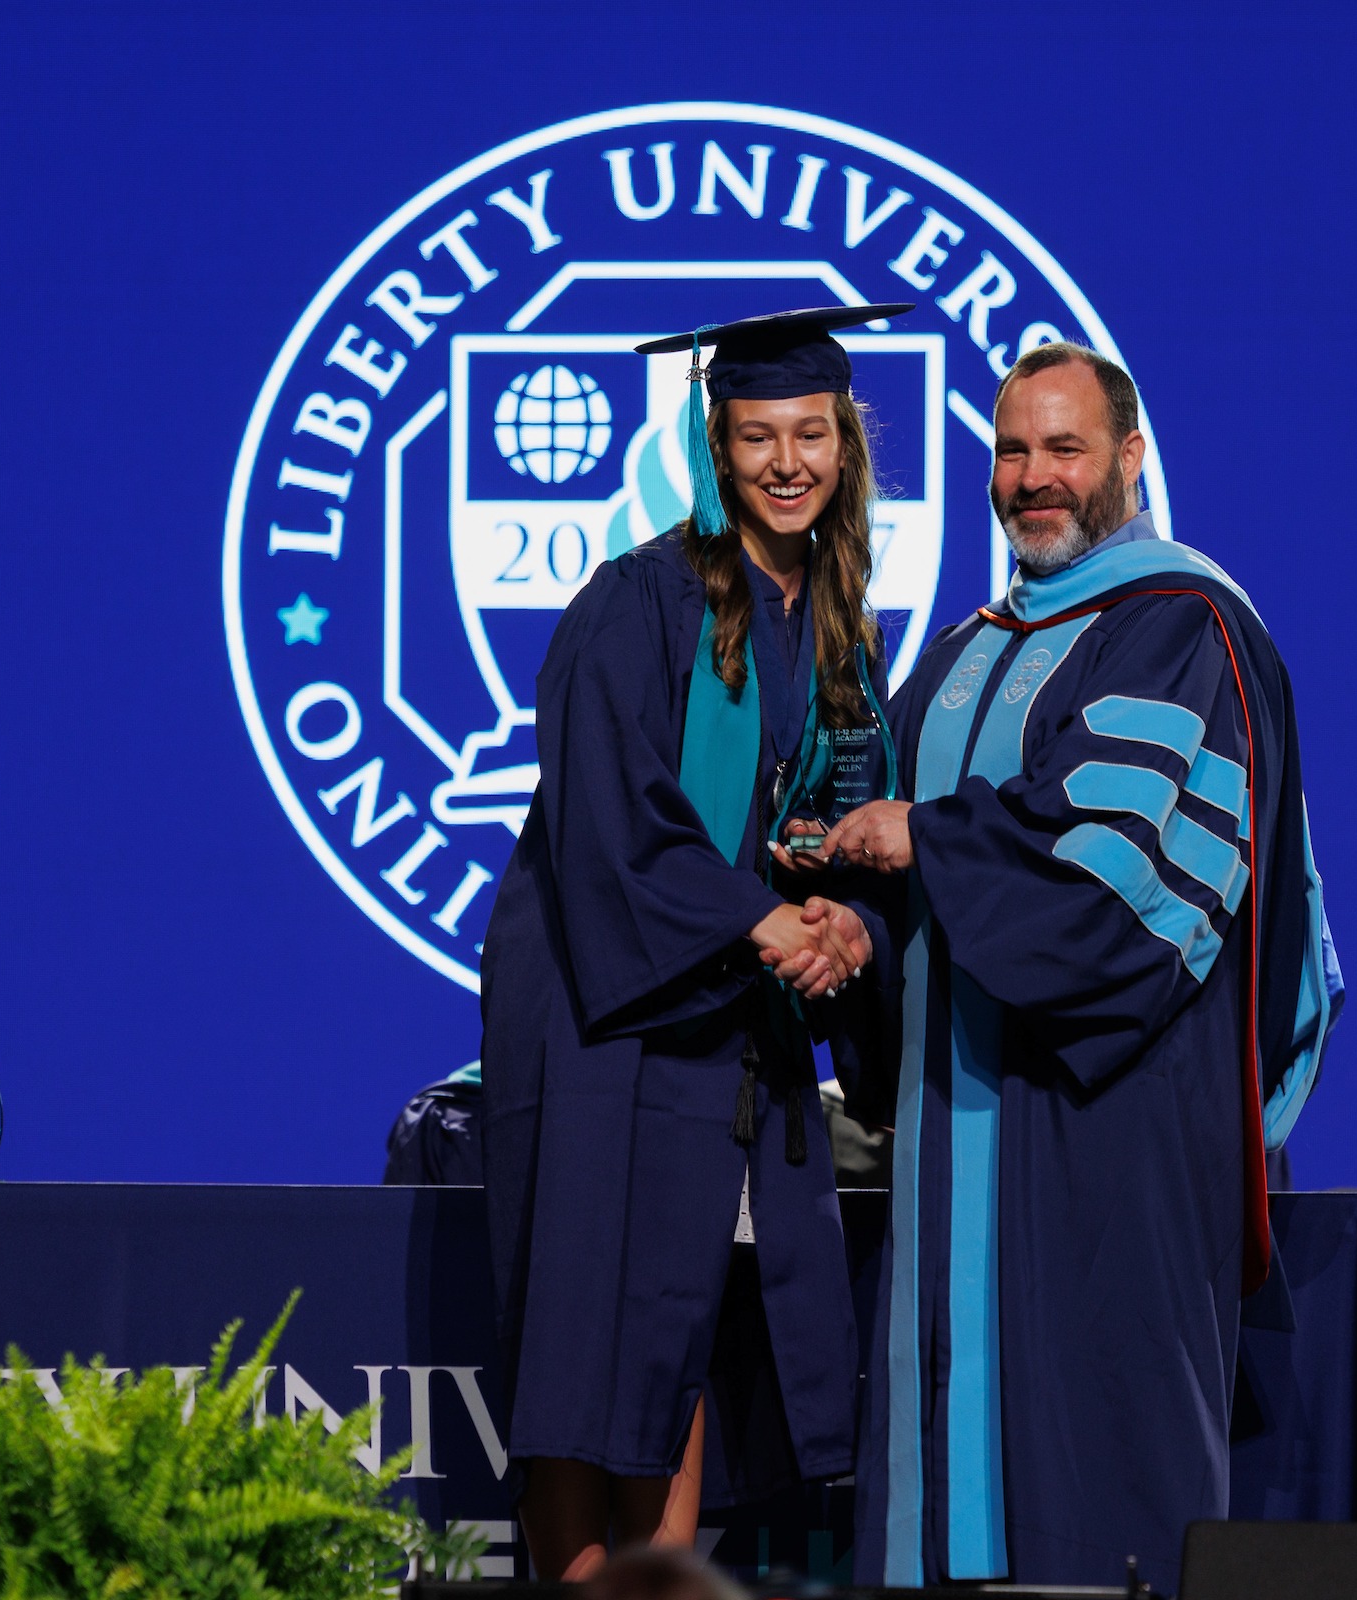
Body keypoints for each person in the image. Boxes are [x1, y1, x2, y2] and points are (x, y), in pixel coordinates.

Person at [810, 344, 1345, 1591]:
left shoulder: (1182, 629)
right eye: (1011, 451)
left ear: (1133, 460)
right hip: (952, 1154)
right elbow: (907, 878)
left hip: (1105, 1139)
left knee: (1098, 1499)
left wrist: (925, 839)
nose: (1033, 479)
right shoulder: (956, 654)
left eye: (1065, 448)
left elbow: (1115, 880)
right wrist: (855, 924)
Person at [478, 304, 913, 1580]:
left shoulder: (841, 633)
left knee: (680, 1339)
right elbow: (611, 819)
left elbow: (850, 817)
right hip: (610, 1033)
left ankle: (659, 1585)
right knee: (588, 1350)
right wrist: (763, 917)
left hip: (736, 1039)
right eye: (758, 434)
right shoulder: (638, 602)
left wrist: (848, 922)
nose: (788, 461)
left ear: (847, 448)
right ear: (714, 447)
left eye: (813, 434)